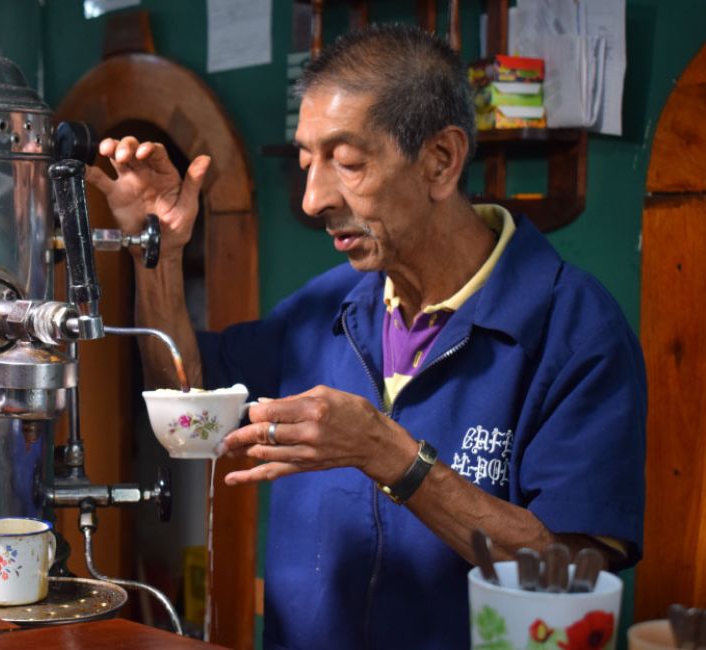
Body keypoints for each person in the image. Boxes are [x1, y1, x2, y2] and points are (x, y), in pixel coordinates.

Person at [87, 23, 646, 650]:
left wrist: (394, 458)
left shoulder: (573, 330)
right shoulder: (328, 306)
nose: (312, 199)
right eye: (306, 162)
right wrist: (155, 252)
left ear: (441, 160)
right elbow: (181, 396)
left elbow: (571, 576)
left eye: (347, 162)